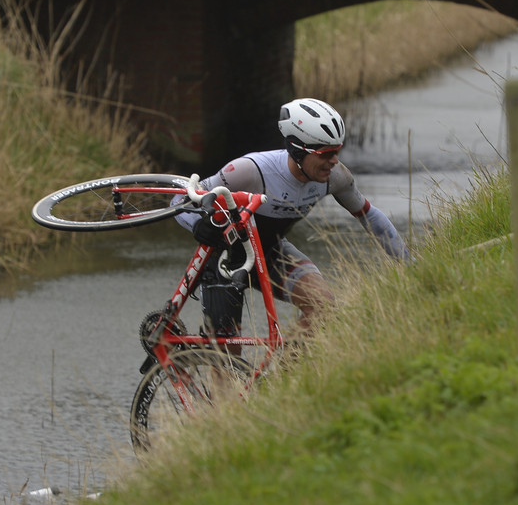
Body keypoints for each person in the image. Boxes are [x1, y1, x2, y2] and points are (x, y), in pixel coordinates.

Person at [175, 98, 409, 335]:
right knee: (225, 355)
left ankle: (286, 362)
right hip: (223, 259)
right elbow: (180, 200)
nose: (334, 161)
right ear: (298, 150)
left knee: (323, 307)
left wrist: (410, 265)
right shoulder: (249, 170)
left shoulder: (336, 177)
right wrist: (198, 225)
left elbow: (370, 216)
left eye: (337, 151)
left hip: (271, 252)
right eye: (326, 153)